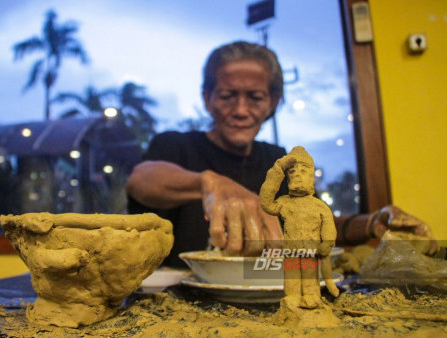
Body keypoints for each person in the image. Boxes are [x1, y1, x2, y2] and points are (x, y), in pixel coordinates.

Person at [126, 41, 435, 267]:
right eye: (227, 96)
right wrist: (208, 182)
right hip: (179, 294)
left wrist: (370, 224)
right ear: (207, 98)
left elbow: (311, 223)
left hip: (260, 291)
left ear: (273, 102)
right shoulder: (176, 145)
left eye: (256, 97)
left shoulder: (278, 159)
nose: (241, 110)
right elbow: (140, 181)